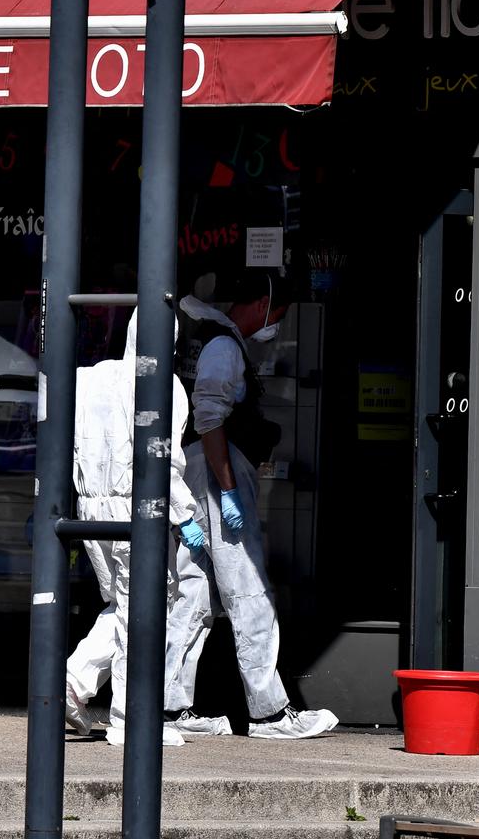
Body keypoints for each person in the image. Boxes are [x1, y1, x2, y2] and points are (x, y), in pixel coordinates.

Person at [163, 270, 338, 740]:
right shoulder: (223, 347)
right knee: (249, 588)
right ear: (261, 303)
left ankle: (170, 705)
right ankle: (269, 712)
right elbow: (210, 420)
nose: (277, 322)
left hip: (198, 469)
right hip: (217, 471)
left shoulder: (208, 338)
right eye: (277, 312)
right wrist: (228, 491)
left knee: (194, 590)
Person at [65, 313, 202, 747]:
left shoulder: (91, 378)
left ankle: (71, 683)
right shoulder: (165, 385)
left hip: (91, 509)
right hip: (137, 507)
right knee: (143, 610)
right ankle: (131, 718)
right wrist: (185, 514)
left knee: (124, 604)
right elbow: (162, 457)